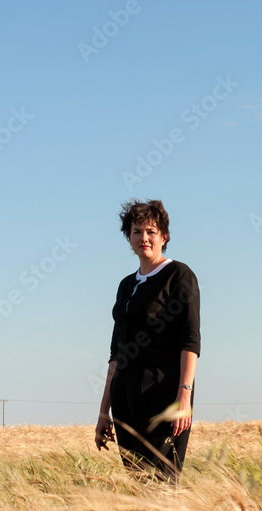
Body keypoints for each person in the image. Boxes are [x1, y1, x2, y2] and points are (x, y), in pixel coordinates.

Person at [95, 199, 200, 483]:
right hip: (125, 396)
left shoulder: (178, 275)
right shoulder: (126, 285)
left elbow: (190, 341)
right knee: (139, 483)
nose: (144, 238)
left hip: (163, 391)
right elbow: (116, 352)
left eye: (151, 231)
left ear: (163, 236)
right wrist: (104, 410)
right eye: (136, 231)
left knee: (162, 482)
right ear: (128, 237)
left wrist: (184, 396)